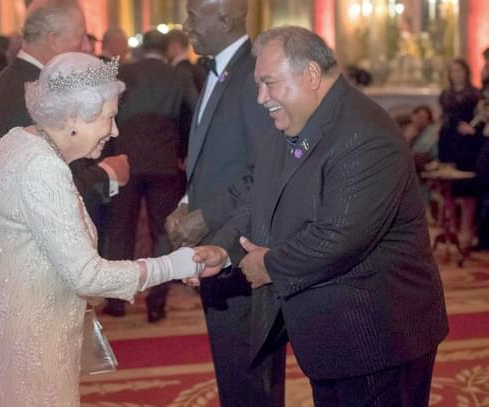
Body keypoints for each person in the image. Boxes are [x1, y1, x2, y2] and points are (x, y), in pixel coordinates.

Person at [196, 26, 449, 406]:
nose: (262, 98)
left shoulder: (365, 133)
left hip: (378, 337)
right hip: (330, 336)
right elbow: (257, 198)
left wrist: (269, 266)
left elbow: (338, 237)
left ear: (311, 75)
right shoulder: (291, 124)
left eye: (269, 83)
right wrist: (223, 249)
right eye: (258, 85)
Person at [0, 52, 218, 406]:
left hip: (10, 336)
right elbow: (87, 276)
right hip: (32, 347)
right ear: (74, 117)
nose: (114, 130)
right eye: (110, 117)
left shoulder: (15, 143)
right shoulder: (41, 168)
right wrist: (175, 265)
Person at [166, 0, 286, 405]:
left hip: (242, 246)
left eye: (194, 16)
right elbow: (214, 160)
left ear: (228, 17)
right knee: (233, 372)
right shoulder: (219, 68)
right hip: (219, 245)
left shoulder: (256, 74)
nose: (186, 25)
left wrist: (208, 215)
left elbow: (264, 173)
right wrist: (187, 202)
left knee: (251, 380)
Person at [0, 0, 129, 226]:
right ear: (54, 40)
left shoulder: (9, 79)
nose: (87, 47)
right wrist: (107, 174)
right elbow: (46, 187)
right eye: (81, 36)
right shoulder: (34, 91)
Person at [101, 29, 198, 322]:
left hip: (124, 160)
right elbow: (195, 114)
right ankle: (157, 302)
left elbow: (105, 111)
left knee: (120, 229)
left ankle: (117, 300)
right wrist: (183, 150)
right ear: (167, 49)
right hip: (164, 163)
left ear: (142, 49)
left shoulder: (123, 73)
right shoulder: (178, 77)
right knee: (162, 232)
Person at [437, 59, 484, 248]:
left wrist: (472, 128)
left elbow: (481, 118)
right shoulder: (445, 94)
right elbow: (443, 116)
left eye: (459, 70)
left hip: (466, 144)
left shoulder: (475, 94)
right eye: (452, 70)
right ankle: (452, 229)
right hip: (447, 142)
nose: (456, 74)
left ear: (466, 72)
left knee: (466, 189)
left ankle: (466, 230)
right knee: (448, 188)